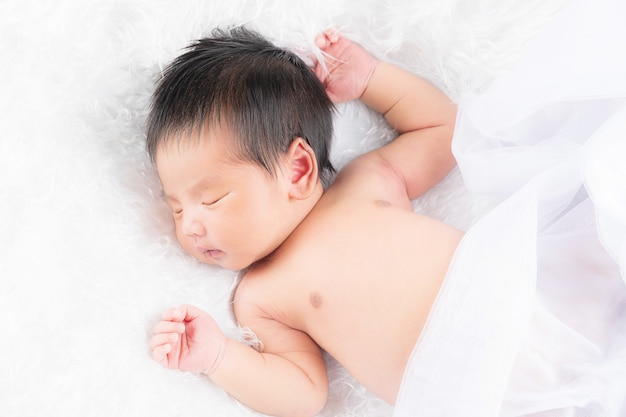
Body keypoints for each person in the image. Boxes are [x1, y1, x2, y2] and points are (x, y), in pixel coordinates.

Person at [148, 26, 461, 417]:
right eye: (177, 208)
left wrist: (370, 79)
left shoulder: (365, 183)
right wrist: (218, 357)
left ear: (297, 170)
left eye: (212, 198)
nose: (189, 226)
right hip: (468, 387)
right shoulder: (260, 296)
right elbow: (304, 394)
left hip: (510, 287)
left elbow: (444, 131)